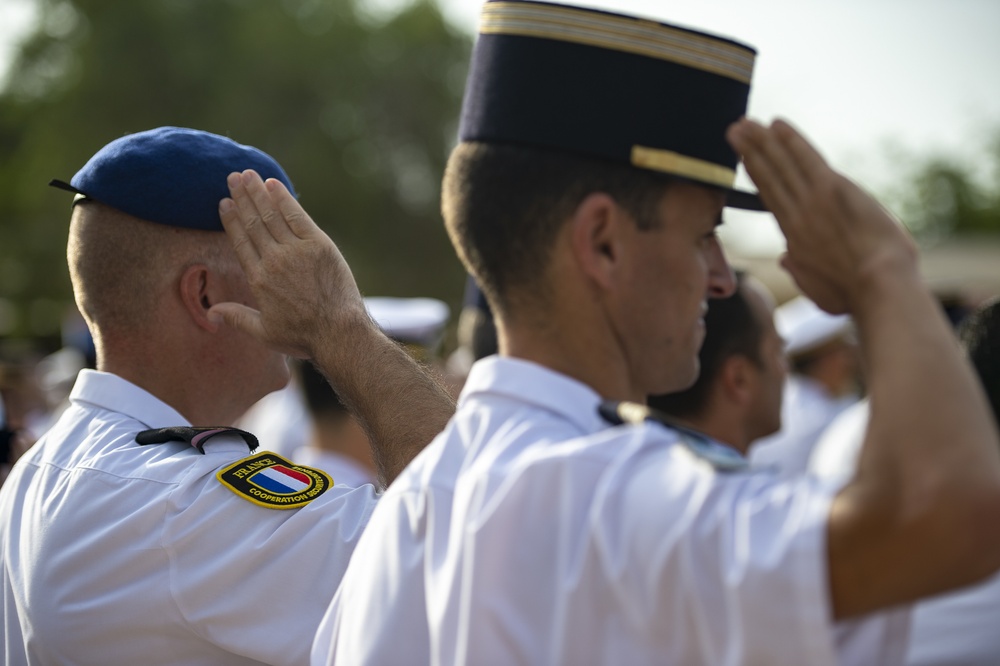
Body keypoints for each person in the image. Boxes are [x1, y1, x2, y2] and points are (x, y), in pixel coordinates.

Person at [313, 2, 1000, 664]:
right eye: (703, 236)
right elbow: (948, 518)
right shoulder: (610, 498)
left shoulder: (403, 517)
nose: (722, 278)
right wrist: (883, 274)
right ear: (604, 243)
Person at [0, 126, 454, 665]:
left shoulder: (44, 469)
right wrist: (339, 323)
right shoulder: (175, 507)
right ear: (205, 294)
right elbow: (470, 537)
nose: (294, 290)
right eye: (273, 266)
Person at [648, 271, 786, 457]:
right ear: (739, 379)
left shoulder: (633, 469)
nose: (784, 371)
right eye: (777, 351)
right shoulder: (727, 483)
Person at [750, 295, 861, 474]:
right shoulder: (821, 414)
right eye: (843, 351)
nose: (850, 361)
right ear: (827, 360)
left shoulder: (785, 399)